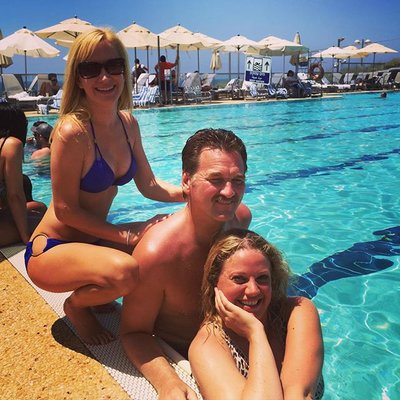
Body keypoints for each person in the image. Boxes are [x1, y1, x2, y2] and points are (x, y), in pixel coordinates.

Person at [24, 28, 184, 346]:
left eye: (113, 66)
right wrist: (124, 235)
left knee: (168, 243)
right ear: (78, 78)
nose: (105, 77)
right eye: (91, 69)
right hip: (52, 249)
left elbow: (150, 185)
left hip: (95, 241)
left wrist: (190, 192)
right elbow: (66, 211)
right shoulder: (72, 132)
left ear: (124, 71)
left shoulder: (128, 124)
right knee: (125, 271)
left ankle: (103, 292)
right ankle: (77, 305)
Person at [121, 128, 252, 400]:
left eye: (237, 180)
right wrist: (167, 382)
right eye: (216, 179)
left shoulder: (240, 219)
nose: (229, 192)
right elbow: (134, 333)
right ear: (186, 180)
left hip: (232, 342)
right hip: (189, 353)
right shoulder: (157, 254)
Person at [189, 228, 324, 400]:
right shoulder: (208, 346)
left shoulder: (296, 312)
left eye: (262, 278)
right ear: (215, 282)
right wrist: (256, 333)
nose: (253, 290)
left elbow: (299, 396)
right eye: (239, 279)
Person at [0, 101, 47, 247]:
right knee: (45, 223)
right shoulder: (10, 144)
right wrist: (26, 237)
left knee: (39, 208)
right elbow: (15, 195)